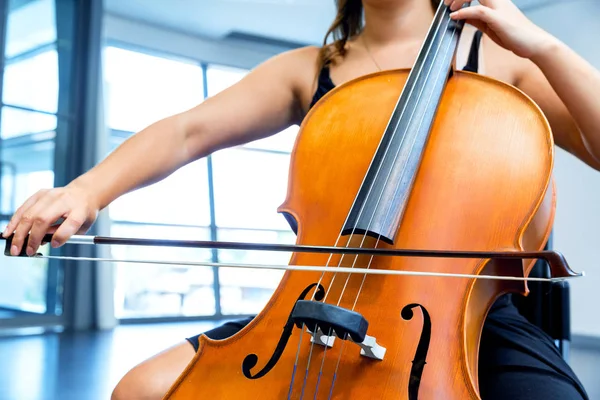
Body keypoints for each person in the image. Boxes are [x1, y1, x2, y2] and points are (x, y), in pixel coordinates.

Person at [3, 0, 599, 398]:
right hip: (318, 306)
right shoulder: (310, 71)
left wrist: (543, 46)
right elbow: (187, 131)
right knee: (141, 388)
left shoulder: (497, 62)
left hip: (469, 320)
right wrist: (84, 190)